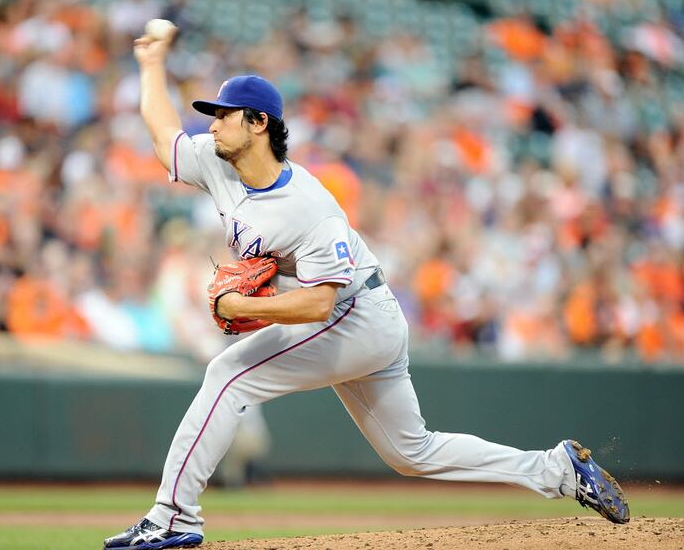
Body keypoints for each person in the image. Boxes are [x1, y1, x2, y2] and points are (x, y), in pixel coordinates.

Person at [103, 28, 629, 550]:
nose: (213, 123)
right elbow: (162, 134)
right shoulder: (219, 164)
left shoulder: (309, 206)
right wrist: (151, 64)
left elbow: (319, 302)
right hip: (358, 318)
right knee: (412, 452)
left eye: (224, 114)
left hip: (356, 318)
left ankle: (172, 516)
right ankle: (558, 470)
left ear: (259, 123)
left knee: (229, 373)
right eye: (213, 114)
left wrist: (239, 304)